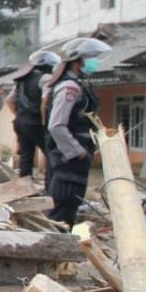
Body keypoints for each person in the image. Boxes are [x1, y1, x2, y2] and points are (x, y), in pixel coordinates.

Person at [44, 37, 112, 228]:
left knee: (71, 203)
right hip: (69, 158)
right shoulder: (69, 87)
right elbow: (56, 125)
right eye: (92, 57)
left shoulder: (79, 84)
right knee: (63, 204)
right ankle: (55, 249)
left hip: (76, 156)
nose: (95, 61)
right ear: (77, 60)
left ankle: (63, 248)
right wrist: (76, 150)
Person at [7, 50, 59, 178]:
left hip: (20, 122)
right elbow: (45, 100)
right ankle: (50, 186)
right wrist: (44, 121)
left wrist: (18, 114)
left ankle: (25, 186)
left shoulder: (22, 80)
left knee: (26, 156)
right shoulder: (45, 78)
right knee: (51, 154)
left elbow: (9, 100)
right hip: (36, 122)